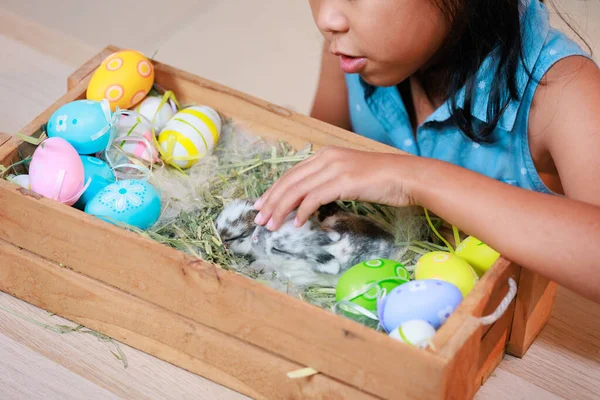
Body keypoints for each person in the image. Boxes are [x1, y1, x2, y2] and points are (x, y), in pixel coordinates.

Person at [253, 0, 600, 303]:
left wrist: (412, 177)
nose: (327, 18)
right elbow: (319, 156)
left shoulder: (563, 90)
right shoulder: (355, 52)